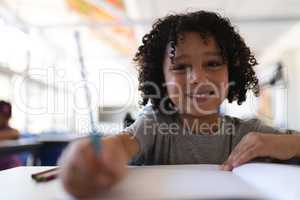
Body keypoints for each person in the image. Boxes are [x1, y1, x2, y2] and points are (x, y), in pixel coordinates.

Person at [59, 11, 300, 198]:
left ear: (232, 72)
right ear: (161, 79)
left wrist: (281, 142)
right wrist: (100, 154)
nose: (197, 77)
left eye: (213, 63)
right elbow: (123, 144)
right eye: (180, 67)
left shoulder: (248, 134)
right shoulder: (156, 124)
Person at [0, 100, 20, 170]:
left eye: (7, 115)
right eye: (3, 115)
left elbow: (15, 134)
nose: (6, 118)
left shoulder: (12, 132)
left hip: (10, 167)